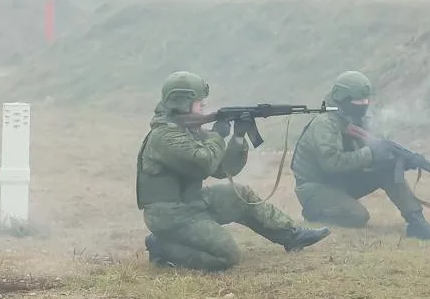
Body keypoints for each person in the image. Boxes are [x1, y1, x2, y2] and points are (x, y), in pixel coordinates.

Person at [136, 71, 330, 271]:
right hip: (170, 216)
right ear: (182, 102)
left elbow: (222, 169)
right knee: (226, 256)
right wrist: (218, 135)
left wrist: (237, 138)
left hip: (191, 202)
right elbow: (203, 163)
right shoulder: (165, 136)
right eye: (198, 101)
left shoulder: (186, 130)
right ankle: (161, 246)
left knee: (240, 195)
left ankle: (292, 236)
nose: (203, 104)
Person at [291, 70, 430, 240]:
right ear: (341, 98)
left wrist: (401, 159)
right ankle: (316, 213)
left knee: (387, 168)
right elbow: (332, 163)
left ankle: (417, 222)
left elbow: (375, 147)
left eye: (366, 101)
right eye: (358, 101)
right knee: (358, 216)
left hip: (339, 181)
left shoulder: (352, 118)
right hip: (315, 187)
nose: (363, 105)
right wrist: (370, 154)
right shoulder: (325, 124)